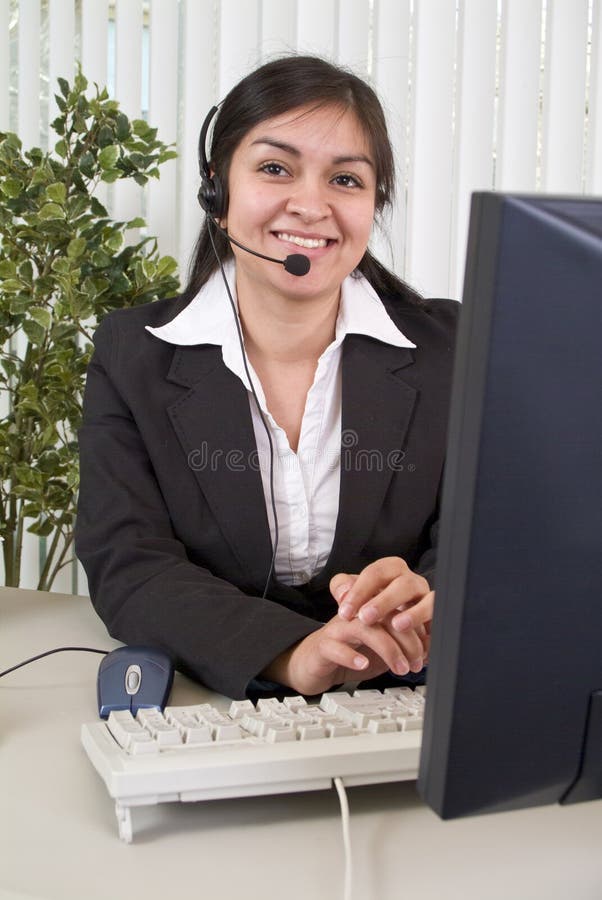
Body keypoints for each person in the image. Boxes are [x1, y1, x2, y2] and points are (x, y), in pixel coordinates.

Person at [75, 55, 458, 700]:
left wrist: (435, 603)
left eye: (345, 179)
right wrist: (291, 653)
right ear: (218, 195)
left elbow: (497, 536)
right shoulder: (134, 354)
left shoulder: (453, 347)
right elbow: (129, 561)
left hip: (414, 699)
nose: (311, 206)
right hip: (219, 703)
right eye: (275, 168)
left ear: (373, 205)